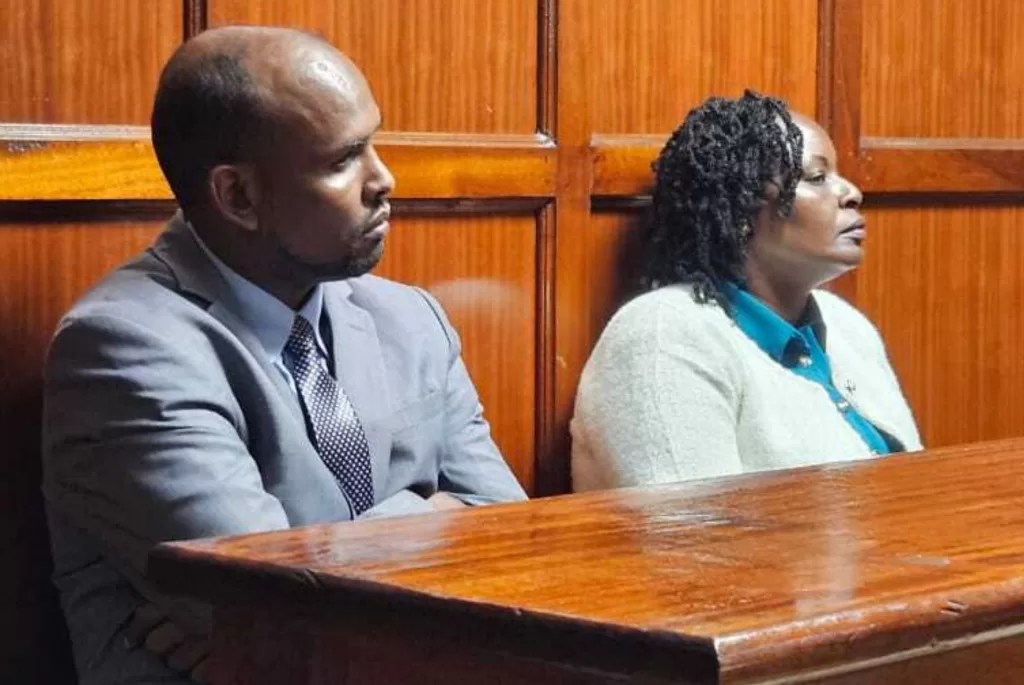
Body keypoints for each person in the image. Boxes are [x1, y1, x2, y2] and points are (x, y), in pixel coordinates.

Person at [42, 26, 526, 684]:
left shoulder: (411, 319)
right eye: (342, 161)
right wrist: (437, 514)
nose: (384, 178)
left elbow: (519, 547)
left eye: (374, 143)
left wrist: (272, 617)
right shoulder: (123, 348)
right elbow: (272, 611)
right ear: (237, 195)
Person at [571, 91, 921, 492]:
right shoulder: (663, 334)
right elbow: (692, 538)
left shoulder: (845, 324)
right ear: (741, 212)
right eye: (817, 178)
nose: (851, 192)